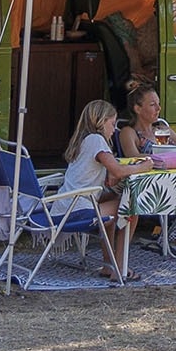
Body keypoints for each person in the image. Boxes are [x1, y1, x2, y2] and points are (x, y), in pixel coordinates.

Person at [57, 98, 134, 280]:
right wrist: (143, 167)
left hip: (64, 205)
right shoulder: (96, 140)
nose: (114, 130)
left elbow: (103, 175)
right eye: (112, 124)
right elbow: (118, 170)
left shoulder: (83, 140)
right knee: (131, 206)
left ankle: (109, 264)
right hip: (76, 209)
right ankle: (120, 267)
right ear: (100, 121)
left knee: (112, 201)